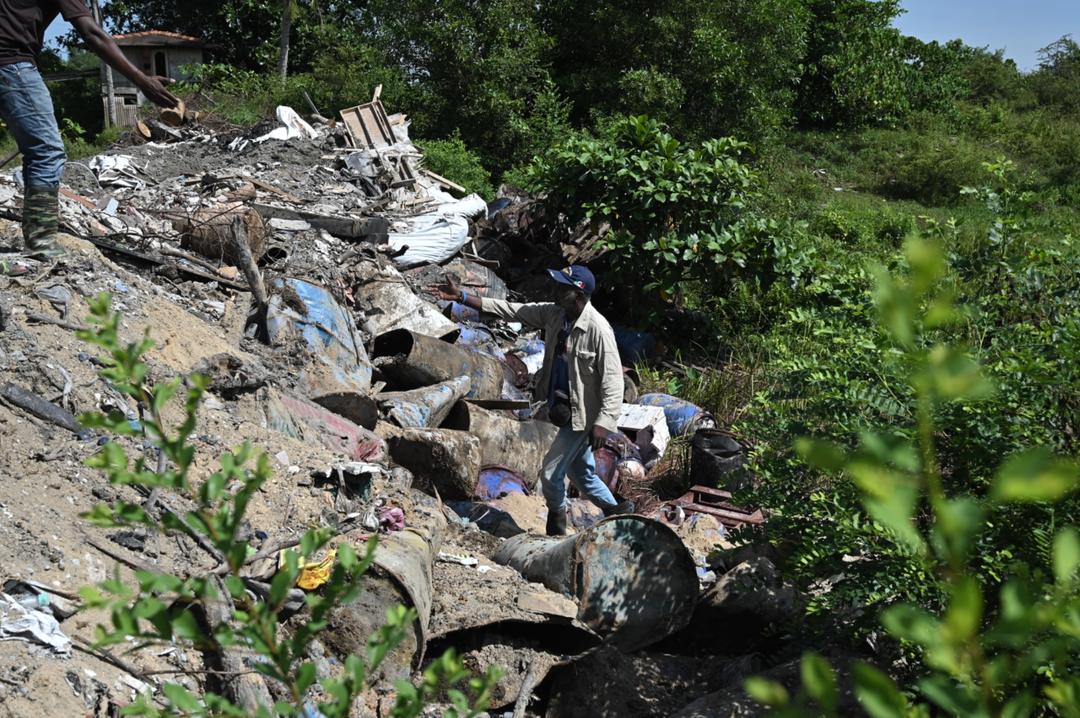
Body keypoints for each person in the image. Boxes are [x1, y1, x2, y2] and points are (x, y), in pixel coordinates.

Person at [435, 265, 633, 535]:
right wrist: (463, 297)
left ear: (578, 294)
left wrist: (604, 422)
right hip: (562, 410)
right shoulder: (555, 315)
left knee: (551, 474)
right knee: (582, 475)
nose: (555, 290)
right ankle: (617, 512)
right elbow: (513, 310)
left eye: (562, 287)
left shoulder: (598, 330)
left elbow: (613, 381)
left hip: (583, 417)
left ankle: (556, 526)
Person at [0, 1, 179, 260]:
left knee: (36, 151)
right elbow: (92, 33)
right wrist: (143, 81)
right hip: (12, 65)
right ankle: (41, 241)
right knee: (46, 152)